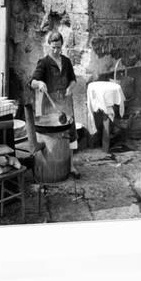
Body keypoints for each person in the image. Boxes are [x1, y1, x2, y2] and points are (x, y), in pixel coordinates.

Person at [30, 31, 80, 178]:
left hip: (65, 103)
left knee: (70, 134)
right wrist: (39, 83)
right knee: (52, 138)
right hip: (49, 105)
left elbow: (73, 80)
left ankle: (70, 166)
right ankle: (49, 168)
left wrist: (71, 87)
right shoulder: (44, 62)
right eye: (53, 47)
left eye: (58, 47)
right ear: (49, 46)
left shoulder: (66, 61)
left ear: (62, 46)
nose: (56, 51)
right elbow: (31, 82)